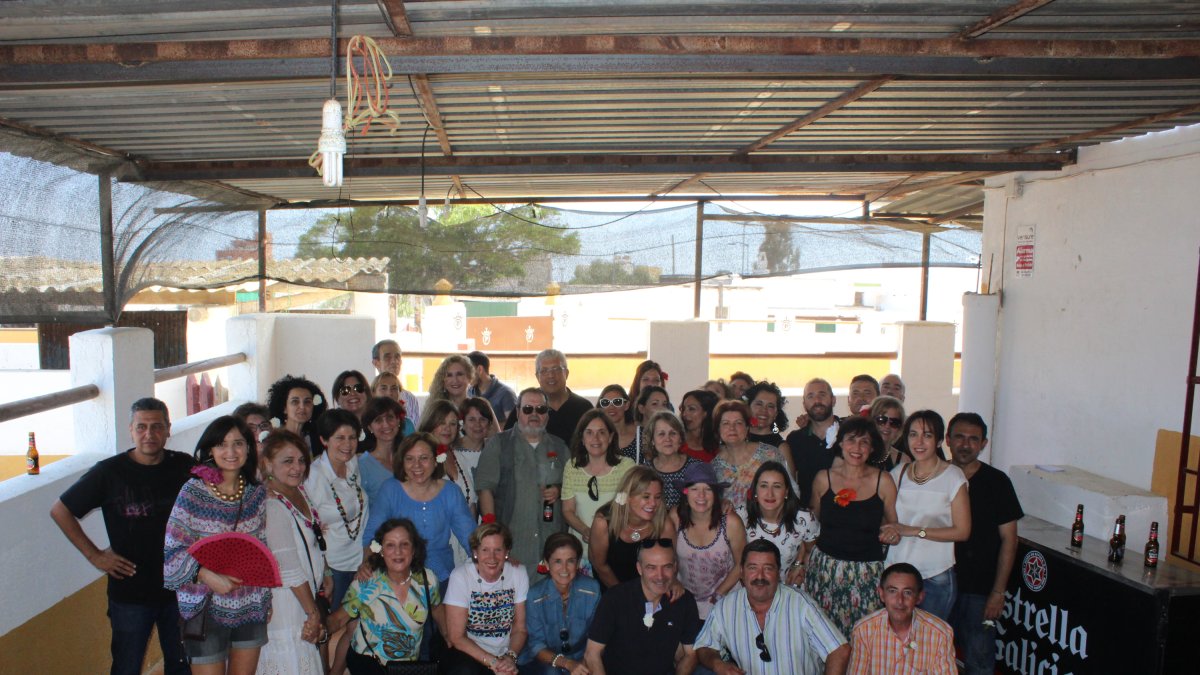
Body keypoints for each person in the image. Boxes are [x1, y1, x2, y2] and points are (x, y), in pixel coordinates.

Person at [50, 397, 194, 675]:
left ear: (168, 429)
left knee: (182, 666)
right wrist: (95, 555)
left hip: (180, 590)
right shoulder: (109, 472)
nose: (149, 434)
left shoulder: (183, 466)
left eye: (156, 426)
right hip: (130, 593)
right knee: (127, 668)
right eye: (141, 427)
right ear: (130, 430)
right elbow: (60, 510)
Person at [164, 416, 270, 675]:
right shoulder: (193, 492)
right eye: (222, 444)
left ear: (249, 448)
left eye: (238, 444)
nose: (231, 452)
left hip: (250, 604)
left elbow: (260, 548)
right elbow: (172, 553)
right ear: (210, 449)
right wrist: (209, 576)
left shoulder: (255, 493)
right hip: (205, 607)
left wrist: (266, 598)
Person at [805, 416, 898, 640]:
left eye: (864, 442)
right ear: (840, 443)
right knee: (824, 640)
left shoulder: (883, 481)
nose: (857, 448)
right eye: (851, 440)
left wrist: (892, 534)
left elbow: (893, 525)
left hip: (867, 574)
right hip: (825, 571)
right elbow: (811, 525)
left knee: (864, 639)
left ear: (872, 448)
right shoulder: (823, 479)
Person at [696, 540, 849, 675]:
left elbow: (839, 650)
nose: (760, 576)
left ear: (778, 573)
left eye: (768, 568)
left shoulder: (800, 604)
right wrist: (718, 665)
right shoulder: (726, 607)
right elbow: (704, 645)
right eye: (753, 568)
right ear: (741, 573)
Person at [948, 412, 1023, 675]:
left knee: (979, 662)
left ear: (984, 444)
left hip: (980, 591)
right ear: (947, 440)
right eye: (959, 437)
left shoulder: (997, 482)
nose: (965, 444)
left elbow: (1009, 541)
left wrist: (998, 592)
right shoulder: (936, 477)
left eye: (973, 439)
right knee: (932, 657)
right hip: (938, 584)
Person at [880, 410, 970, 623]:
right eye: (913, 434)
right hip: (896, 574)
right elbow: (885, 519)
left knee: (927, 647)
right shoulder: (899, 472)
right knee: (895, 644)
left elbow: (963, 531)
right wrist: (889, 531)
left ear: (939, 441)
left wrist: (914, 531)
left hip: (935, 576)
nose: (919, 442)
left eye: (927, 435)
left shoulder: (953, 477)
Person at [328, 518, 443, 673]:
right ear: (381, 551)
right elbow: (338, 618)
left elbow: (439, 614)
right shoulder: (366, 582)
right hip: (368, 663)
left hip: (406, 669)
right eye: (390, 545)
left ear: (414, 549)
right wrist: (320, 629)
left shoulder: (427, 581)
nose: (398, 551)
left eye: (404, 544)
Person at [478, 388, 568, 584]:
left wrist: (559, 490)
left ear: (547, 414)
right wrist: (495, 539)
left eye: (540, 409)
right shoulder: (498, 445)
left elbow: (571, 488)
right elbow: (486, 490)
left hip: (551, 546)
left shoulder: (560, 447)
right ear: (518, 412)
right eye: (528, 409)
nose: (534, 414)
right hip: (514, 546)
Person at [257, 429, 329, 675]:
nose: (297, 468)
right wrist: (313, 613)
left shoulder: (298, 492)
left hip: (304, 597)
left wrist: (326, 572)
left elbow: (313, 539)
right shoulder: (272, 504)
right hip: (287, 603)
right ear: (268, 464)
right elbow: (288, 567)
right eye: (287, 461)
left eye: (301, 461)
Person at [363, 432, 475, 587]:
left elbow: (469, 537)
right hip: (398, 576)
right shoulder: (390, 489)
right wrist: (368, 565)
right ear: (402, 462)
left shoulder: (450, 491)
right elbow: (371, 535)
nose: (417, 465)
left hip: (441, 576)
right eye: (410, 459)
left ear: (436, 461)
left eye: (424, 458)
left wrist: (490, 561)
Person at [584, 538, 700, 675]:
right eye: (651, 567)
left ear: (675, 567)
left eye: (667, 567)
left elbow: (690, 655)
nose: (660, 576)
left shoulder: (684, 601)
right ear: (639, 568)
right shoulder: (616, 599)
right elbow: (592, 654)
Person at [443, 522, 530, 674]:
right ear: (475, 552)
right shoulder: (460, 576)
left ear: (506, 552)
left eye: (498, 550)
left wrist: (509, 658)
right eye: (485, 550)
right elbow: (456, 637)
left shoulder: (518, 573)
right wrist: (493, 662)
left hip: (508, 651)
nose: (492, 557)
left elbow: (520, 628)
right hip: (470, 652)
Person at [305, 409, 368, 609]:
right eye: (339, 438)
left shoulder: (353, 464)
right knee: (331, 628)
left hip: (359, 564)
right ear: (324, 440)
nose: (347, 444)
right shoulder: (313, 477)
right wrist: (325, 571)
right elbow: (307, 527)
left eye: (352, 437)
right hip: (333, 568)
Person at [847, 563, 955, 674]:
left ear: (919, 597)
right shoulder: (864, 630)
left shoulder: (940, 634)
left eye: (907, 593)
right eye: (892, 591)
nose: (900, 600)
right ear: (882, 594)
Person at [520, 532, 602, 675]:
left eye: (570, 561)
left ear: (577, 564)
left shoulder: (592, 590)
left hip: (583, 657)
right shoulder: (535, 595)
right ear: (546, 563)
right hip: (545, 660)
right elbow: (536, 645)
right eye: (557, 561)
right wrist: (567, 664)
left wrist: (582, 665)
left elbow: (597, 636)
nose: (564, 569)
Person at [672, 462, 746, 621]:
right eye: (694, 489)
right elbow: (667, 556)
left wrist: (720, 593)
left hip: (726, 600)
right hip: (685, 601)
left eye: (708, 489)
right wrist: (672, 581)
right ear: (685, 493)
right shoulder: (675, 517)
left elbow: (742, 563)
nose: (701, 496)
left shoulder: (731, 522)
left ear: (716, 494)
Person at [561, 409, 636, 561]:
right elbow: (568, 510)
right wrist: (585, 530)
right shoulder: (571, 466)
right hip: (581, 550)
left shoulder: (626, 466)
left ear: (610, 437)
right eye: (589, 432)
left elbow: (631, 508)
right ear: (582, 438)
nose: (595, 438)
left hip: (616, 546)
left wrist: (603, 534)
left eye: (601, 432)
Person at [589, 466, 677, 588]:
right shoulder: (603, 522)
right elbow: (599, 565)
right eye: (646, 497)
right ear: (628, 497)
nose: (653, 504)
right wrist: (627, 597)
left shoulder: (664, 524)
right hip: (612, 589)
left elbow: (670, 565)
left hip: (651, 590)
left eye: (657, 497)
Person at [737, 461, 819, 585]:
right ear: (755, 491)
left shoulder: (804, 519)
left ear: (786, 492)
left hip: (789, 588)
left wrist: (799, 564)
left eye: (777, 486)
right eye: (764, 486)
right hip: (749, 588)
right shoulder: (739, 517)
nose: (770, 493)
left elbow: (811, 551)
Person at [712, 400, 793, 513]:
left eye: (738, 423)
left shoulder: (770, 454)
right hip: (730, 527)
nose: (732, 428)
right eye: (725, 423)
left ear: (747, 427)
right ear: (718, 429)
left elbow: (791, 491)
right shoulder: (713, 464)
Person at [505, 349, 594, 446]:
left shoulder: (583, 407)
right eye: (544, 370)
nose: (551, 375)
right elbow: (506, 441)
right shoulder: (526, 407)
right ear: (537, 377)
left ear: (566, 373)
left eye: (556, 369)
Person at [785, 378, 840, 508]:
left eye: (822, 394)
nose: (817, 401)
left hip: (844, 515)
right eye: (810, 396)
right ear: (804, 404)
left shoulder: (849, 435)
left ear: (833, 400)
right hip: (806, 516)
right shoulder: (794, 440)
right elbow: (791, 482)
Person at [419, 398, 475, 515]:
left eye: (452, 424)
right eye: (441, 423)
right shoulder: (420, 460)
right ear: (430, 424)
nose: (447, 428)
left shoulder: (460, 457)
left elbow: (471, 502)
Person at [643, 410, 702, 509]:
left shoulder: (697, 468)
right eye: (661, 434)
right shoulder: (644, 471)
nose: (668, 439)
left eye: (673, 433)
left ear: (680, 438)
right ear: (652, 440)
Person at [359, 396, 409, 506]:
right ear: (370, 427)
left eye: (390, 417)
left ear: (398, 421)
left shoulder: (410, 457)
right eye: (378, 420)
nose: (386, 424)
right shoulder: (363, 466)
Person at [267, 374, 328, 453]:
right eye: (295, 401)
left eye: (307, 402)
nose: (302, 407)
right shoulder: (274, 440)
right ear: (284, 408)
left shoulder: (316, 438)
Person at [372, 339, 421, 424]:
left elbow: (416, 432)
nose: (394, 361)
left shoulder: (411, 399)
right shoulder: (368, 397)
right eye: (387, 357)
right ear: (376, 363)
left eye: (397, 357)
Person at [468, 350, 519, 422]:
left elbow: (513, 426)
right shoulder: (468, 392)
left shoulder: (506, 393)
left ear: (480, 370)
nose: (466, 376)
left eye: (469, 371)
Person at [598, 384, 639, 462]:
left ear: (626, 405)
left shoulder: (641, 433)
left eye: (617, 402)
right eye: (605, 402)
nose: (611, 407)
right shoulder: (595, 436)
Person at [679, 389, 720, 462]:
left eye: (691, 409)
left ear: (706, 413)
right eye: (683, 409)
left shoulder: (719, 445)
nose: (684, 414)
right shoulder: (678, 441)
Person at [744, 381, 788, 449]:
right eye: (759, 404)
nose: (764, 410)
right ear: (748, 407)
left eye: (770, 406)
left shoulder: (781, 448)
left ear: (776, 413)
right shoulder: (736, 440)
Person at [428, 354, 473, 419]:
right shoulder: (434, 411)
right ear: (443, 381)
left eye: (459, 374)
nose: (455, 380)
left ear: (469, 377)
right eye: (449, 375)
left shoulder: (479, 408)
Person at [867, 396, 907, 470]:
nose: (887, 426)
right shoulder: (858, 453)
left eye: (894, 422)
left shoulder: (903, 460)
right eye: (881, 420)